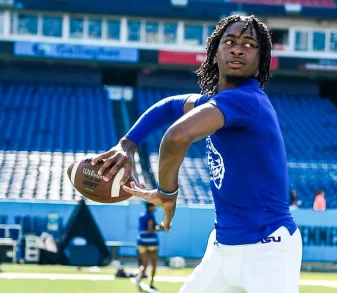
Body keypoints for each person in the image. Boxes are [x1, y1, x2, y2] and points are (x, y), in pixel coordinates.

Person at [91, 14, 301, 293]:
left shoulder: (246, 100)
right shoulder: (217, 101)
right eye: (229, 41)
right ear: (214, 54)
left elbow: (176, 137)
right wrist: (128, 143)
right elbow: (169, 106)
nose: (237, 48)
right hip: (222, 249)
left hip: (268, 250)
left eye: (249, 44)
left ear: (260, 60)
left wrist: (166, 193)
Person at [136, 201, 163, 292]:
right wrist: (160, 227)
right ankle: (151, 283)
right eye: (154, 206)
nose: (155, 207)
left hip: (141, 242)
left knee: (144, 264)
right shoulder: (150, 216)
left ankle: (139, 277)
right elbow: (150, 230)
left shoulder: (141, 215)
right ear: (150, 207)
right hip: (151, 242)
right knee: (154, 263)